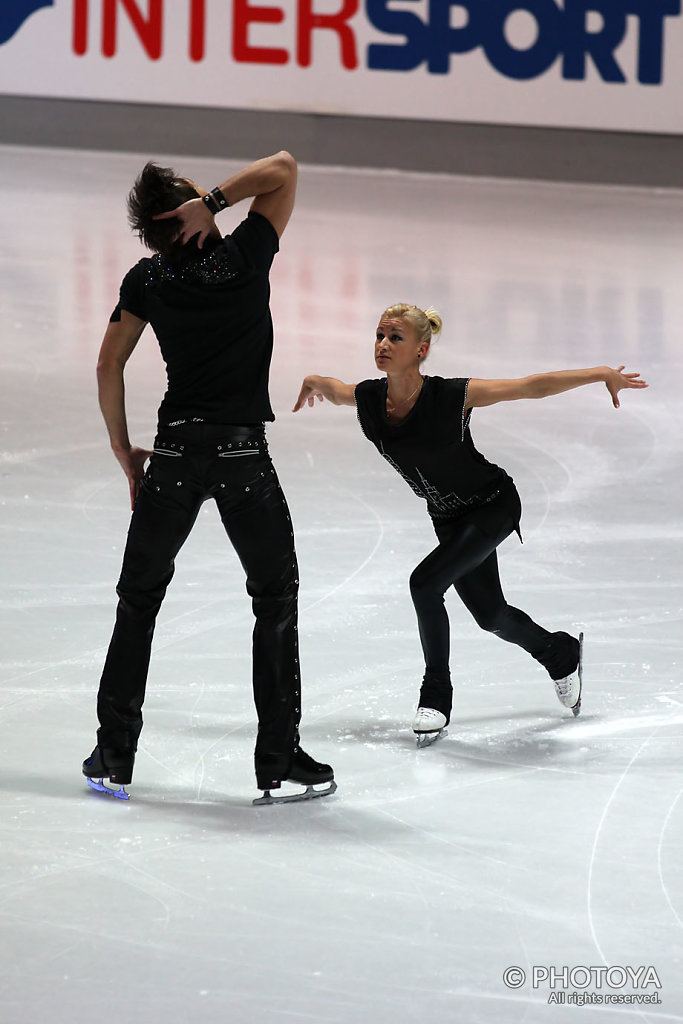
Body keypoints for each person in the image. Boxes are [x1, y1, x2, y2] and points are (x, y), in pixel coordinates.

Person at [83, 152, 336, 804]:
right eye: (196, 195)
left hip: (170, 460)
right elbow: (284, 166)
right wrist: (218, 200)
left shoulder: (149, 279)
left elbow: (108, 364)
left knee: (138, 599)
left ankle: (113, 756)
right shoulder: (248, 253)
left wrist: (121, 448)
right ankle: (277, 761)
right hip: (241, 459)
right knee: (274, 601)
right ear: (188, 212)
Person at [293, 303, 647, 745]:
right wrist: (312, 382)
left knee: (424, 584)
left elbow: (529, 386)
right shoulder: (367, 398)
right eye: (380, 336)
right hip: (448, 518)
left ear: (421, 349)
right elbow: (335, 388)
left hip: (492, 506)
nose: (383, 345)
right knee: (491, 616)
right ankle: (559, 653)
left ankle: (436, 694)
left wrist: (598, 373)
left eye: (395, 338)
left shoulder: (452, 396)